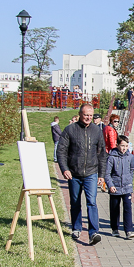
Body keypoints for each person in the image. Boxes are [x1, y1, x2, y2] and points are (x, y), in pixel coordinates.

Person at [56, 103, 107, 245]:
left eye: (90, 115)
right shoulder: (70, 130)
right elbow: (61, 151)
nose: (88, 118)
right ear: (80, 114)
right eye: (86, 115)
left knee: (92, 202)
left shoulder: (97, 131)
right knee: (75, 202)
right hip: (74, 173)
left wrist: (101, 174)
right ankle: (76, 228)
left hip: (91, 172)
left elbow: (102, 154)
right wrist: (64, 168)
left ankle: (93, 232)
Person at [105, 134, 134, 239]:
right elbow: (107, 174)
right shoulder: (111, 157)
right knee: (114, 209)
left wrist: (129, 180)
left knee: (127, 208)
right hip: (115, 187)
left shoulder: (130, 156)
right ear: (117, 145)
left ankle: (129, 230)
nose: (124, 148)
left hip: (127, 187)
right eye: (122, 146)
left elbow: (132, 169)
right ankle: (115, 228)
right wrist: (110, 185)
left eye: (126, 146)